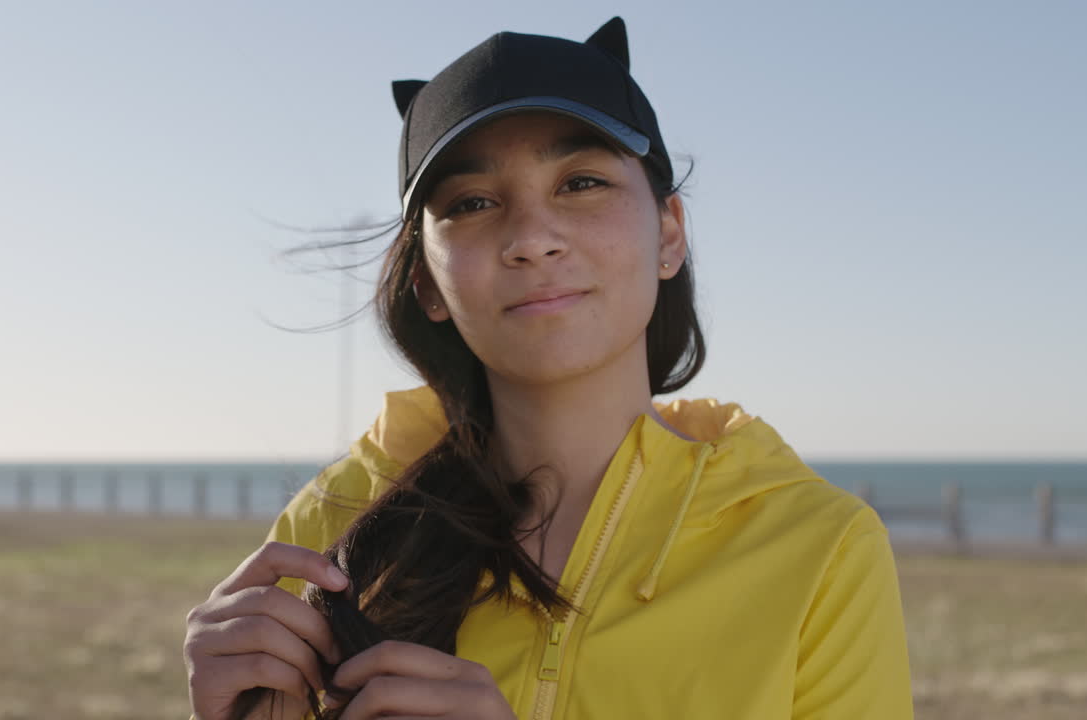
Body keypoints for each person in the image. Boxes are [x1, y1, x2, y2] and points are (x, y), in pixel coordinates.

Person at [183, 16, 914, 720]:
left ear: (669, 233)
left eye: (581, 183)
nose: (532, 238)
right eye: (473, 202)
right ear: (428, 283)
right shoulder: (337, 525)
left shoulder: (819, 545)